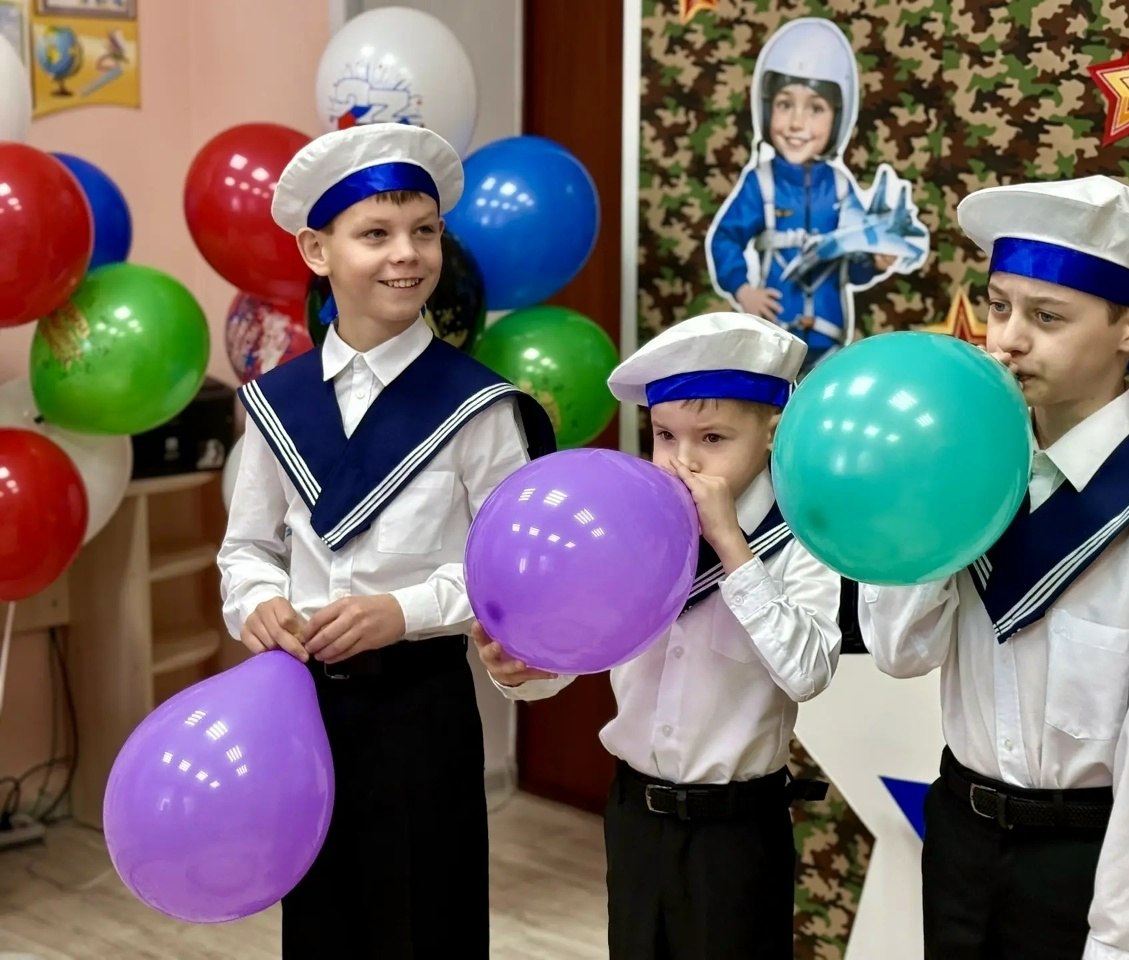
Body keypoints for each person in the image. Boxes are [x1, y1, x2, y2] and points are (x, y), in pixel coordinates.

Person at [858, 175, 1129, 960]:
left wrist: (1121, 943)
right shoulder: (970, 470)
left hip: (1084, 866)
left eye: (1047, 317)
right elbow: (901, 651)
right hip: (960, 840)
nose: (1007, 340)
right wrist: (925, 502)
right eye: (998, 306)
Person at [217, 122, 555, 959]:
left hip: (421, 710)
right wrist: (257, 602)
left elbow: (512, 573)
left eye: (424, 231)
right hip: (301, 711)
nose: (407, 254)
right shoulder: (275, 404)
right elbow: (248, 548)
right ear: (317, 250)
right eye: (375, 233)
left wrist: (402, 613)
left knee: (425, 924)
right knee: (321, 926)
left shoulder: (480, 408)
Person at [477, 312, 843, 959]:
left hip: (736, 828)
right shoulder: (629, 527)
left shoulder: (802, 539)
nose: (684, 461)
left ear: (773, 432)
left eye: (713, 437)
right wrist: (526, 672)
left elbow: (808, 672)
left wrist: (733, 548)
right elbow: (589, 647)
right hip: (635, 813)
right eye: (665, 435)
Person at [706, 17, 927, 372]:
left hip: (829, 341)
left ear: (837, 118)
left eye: (816, 108)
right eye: (784, 104)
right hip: (774, 339)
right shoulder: (760, 183)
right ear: (767, 107)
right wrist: (743, 290)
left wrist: (873, 261)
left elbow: (852, 267)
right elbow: (724, 239)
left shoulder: (840, 186)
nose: (797, 123)